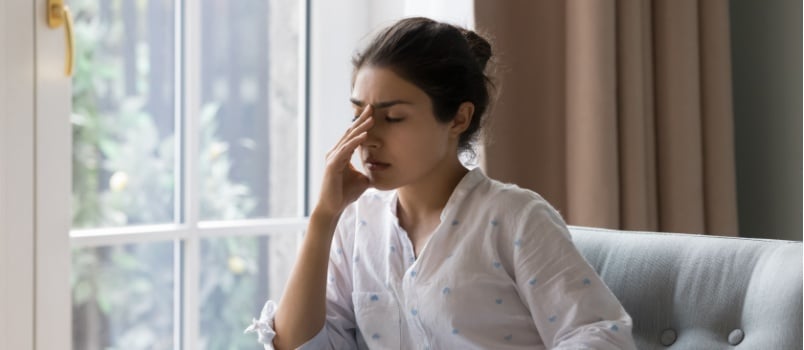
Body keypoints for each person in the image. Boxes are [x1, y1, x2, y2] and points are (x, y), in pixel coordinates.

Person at [246, 17, 636, 350]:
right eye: (357, 115)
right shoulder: (356, 225)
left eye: (393, 117)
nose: (366, 136)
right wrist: (323, 217)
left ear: (458, 119)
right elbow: (297, 345)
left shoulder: (515, 219)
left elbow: (601, 335)